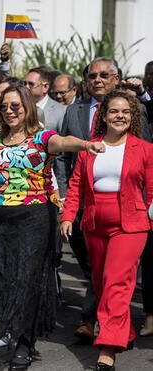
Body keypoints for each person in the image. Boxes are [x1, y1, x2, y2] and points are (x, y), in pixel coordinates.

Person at [0, 85, 104, 370]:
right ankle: (10, 327)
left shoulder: (42, 137)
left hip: (35, 218)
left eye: (16, 106)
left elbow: (64, 141)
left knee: (27, 281)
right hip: (2, 219)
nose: (9, 111)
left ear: (28, 107)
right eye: (4, 106)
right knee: (3, 281)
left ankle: (24, 344)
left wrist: (85, 145)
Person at [60, 90, 151, 370]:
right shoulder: (91, 147)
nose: (120, 116)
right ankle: (126, 333)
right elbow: (76, 185)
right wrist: (68, 216)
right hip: (94, 223)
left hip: (131, 224)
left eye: (125, 111)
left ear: (132, 116)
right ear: (104, 115)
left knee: (116, 282)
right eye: (114, 111)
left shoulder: (145, 149)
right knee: (101, 283)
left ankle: (108, 346)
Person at [54, 57, 141, 342]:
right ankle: (118, 326)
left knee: (114, 275)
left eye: (105, 75)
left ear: (116, 78)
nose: (98, 80)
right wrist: (68, 202)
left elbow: (143, 159)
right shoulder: (74, 112)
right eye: (92, 76)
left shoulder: (134, 112)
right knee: (97, 268)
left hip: (127, 211)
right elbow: (66, 162)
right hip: (83, 207)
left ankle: (96, 326)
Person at [24, 67, 66, 132]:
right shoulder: (19, 108)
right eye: (24, 84)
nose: (26, 87)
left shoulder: (62, 111)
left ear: (45, 87)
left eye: (31, 84)